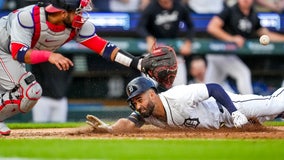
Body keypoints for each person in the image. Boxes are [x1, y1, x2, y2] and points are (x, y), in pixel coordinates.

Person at [0, 0, 152, 135]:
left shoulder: (76, 27)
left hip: (9, 56)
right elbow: (19, 53)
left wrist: (137, 62)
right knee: (28, 91)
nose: (82, 16)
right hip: (3, 49)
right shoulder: (28, 17)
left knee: (31, 93)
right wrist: (50, 56)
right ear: (63, 13)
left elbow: (105, 48)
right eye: (78, 12)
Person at [86, 76, 284, 133]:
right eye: (134, 102)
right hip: (224, 126)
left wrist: (234, 112)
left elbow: (214, 88)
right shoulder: (147, 113)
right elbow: (127, 124)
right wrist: (109, 129)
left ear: (152, 94)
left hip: (228, 108)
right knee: (277, 114)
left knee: (276, 105)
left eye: (140, 99)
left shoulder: (178, 96)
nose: (138, 106)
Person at [205, 0, 284, 94]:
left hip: (227, 55)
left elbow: (266, 34)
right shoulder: (230, 11)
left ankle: (201, 104)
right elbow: (212, 27)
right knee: (243, 73)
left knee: (211, 84)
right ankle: (250, 106)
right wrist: (231, 38)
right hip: (218, 50)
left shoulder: (253, 15)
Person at [136, 0, 195, 86]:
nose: (166, 2)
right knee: (148, 85)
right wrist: (148, 37)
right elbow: (140, 27)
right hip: (154, 50)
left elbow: (191, 27)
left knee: (180, 86)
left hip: (174, 50)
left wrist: (188, 42)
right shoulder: (152, 7)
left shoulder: (179, 6)